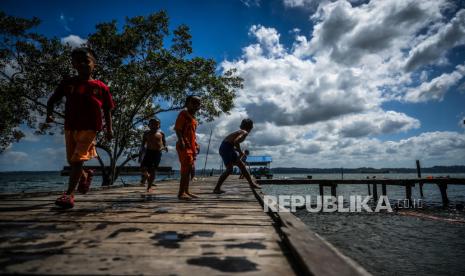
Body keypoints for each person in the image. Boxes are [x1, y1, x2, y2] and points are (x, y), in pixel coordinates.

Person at [46, 47, 114, 209]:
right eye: (79, 62)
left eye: (87, 61)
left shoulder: (101, 87)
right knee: (73, 161)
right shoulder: (68, 83)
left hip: (90, 128)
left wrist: (109, 129)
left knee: (77, 160)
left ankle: (69, 194)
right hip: (70, 127)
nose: (83, 64)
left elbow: (108, 109)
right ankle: (85, 174)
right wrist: (49, 114)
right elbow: (52, 100)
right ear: (74, 64)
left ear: (94, 64)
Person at [213, 119, 261, 194]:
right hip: (226, 148)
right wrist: (240, 151)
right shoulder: (244, 132)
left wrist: (237, 150)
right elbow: (236, 141)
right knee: (230, 169)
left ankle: (251, 184)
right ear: (251, 127)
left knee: (242, 166)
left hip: (227, 147)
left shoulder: (240, 131)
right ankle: (216, 188)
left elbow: (232, 142)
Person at [175, 95, 201, 200]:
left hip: (191, 146)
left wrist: (196, 144)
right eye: (193, 102)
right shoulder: (183, 114)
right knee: (185, 170)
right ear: (187, 103)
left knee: (189, 169)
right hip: (184, 145)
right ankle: (181, 193)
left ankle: (186, 191)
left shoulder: (194, 119)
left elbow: (193, 134)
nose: (196, 105)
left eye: (198, 103)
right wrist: (181, 140)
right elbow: (178, 129)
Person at [139, 118, 168, 192]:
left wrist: (165, 147)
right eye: (152, 124)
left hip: (157, 153)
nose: (154, 126)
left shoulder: (161, 134)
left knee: (153, 170)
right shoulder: (146, 133)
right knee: (143, 167)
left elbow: (164, 143)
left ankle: (149, 187)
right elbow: (143, 144)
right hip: (148, 152)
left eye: (156, 124)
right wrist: (141, 154)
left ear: (159, 126)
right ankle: (146, 176)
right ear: (149, 125)